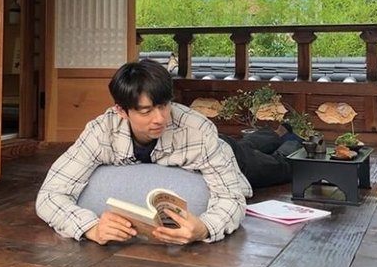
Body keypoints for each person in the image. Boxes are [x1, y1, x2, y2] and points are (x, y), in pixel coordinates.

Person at [36, 59, 299, 246]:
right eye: (146, 111)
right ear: (121, 111)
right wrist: (90, 228)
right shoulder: (100, 132)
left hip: (223, 152)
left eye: (164, 105)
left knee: (281, 167)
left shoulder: (198, 130)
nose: (160, 118)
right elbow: (50, 195)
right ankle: (275, 133)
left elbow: (230, 197)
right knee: (250, 143)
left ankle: (291, 138)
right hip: (216, 146)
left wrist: (204, 228)